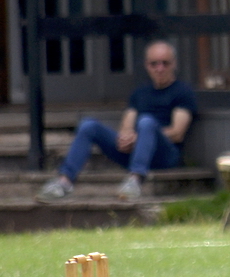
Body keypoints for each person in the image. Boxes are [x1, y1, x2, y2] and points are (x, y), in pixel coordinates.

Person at [36, 40, 198, 202]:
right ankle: (64, 182)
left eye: (165, 63)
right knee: (88, 125)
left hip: (165, 156)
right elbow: (126, 125)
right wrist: (126, 137)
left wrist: (141, 135)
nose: (160, 69)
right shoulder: (140, 93)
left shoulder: (182, 92)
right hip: (136, 150)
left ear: (174, 64)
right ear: (147, 66)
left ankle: (135, 180)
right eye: (154, 64)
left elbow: (177, 133)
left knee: (146, 122)